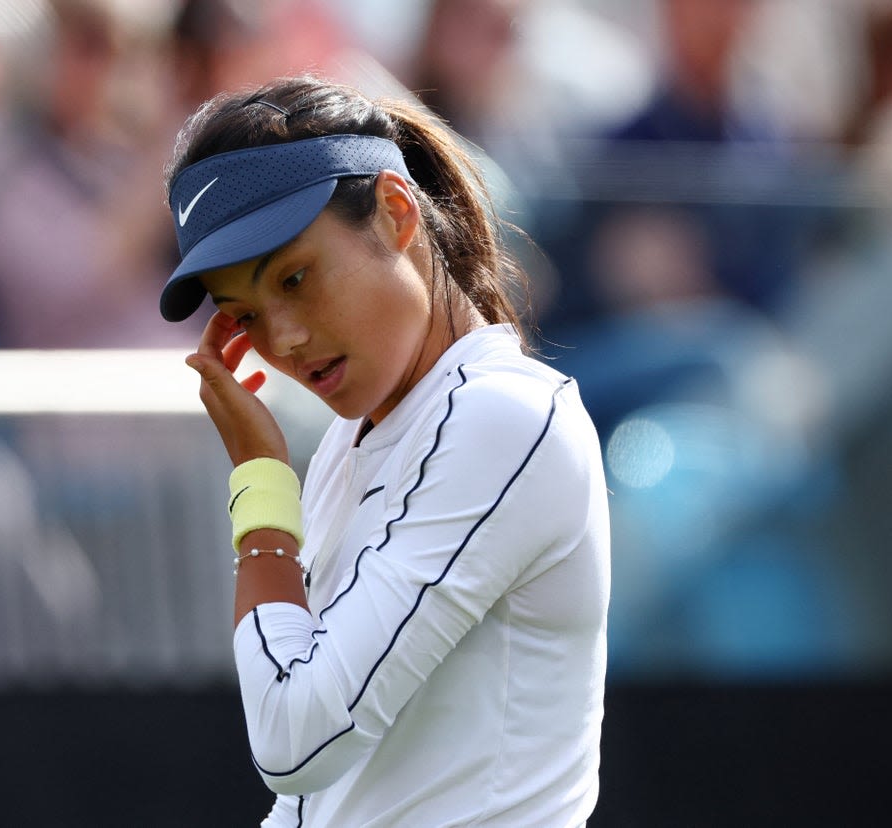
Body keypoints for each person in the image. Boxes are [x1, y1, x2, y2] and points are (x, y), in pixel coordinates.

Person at [158, 76, 611, 827]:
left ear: (397, 211)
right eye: (245, 316)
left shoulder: (503, 414)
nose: (285, 341)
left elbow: (297, 741)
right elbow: (308, 800)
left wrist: (261, 488)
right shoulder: (357, 436)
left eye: (296, 279)